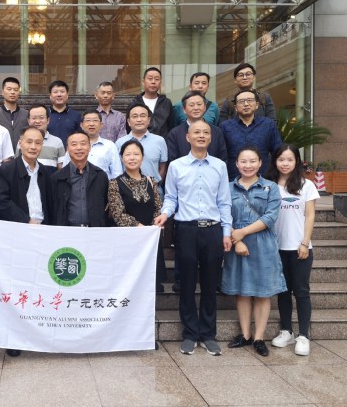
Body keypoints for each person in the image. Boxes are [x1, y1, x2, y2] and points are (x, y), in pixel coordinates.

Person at [155, 120, 232, 357]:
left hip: (213, 229)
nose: (201, 135)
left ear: (211, 138)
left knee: (210, 284)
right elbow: (171, 198)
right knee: (187, 284)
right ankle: (189, 334)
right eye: (196, 132)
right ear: (187, 137)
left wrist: (226, 232)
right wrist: (164, 214)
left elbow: (224, 202)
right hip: (186, 229)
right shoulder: (176, 166)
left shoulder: (219, 166)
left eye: (205, 132)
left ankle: (208, 334)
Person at [223, 146, 286, 357]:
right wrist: (237, 239)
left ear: (260, 163)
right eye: (243, 161)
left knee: (262, 292)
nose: (247, 165)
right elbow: (223, 215)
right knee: (242, 291)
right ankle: (245, 334)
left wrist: (242, 233)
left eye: (252, 161)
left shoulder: (271, 187)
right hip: (236, 242)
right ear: (236, 164)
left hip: (262, 242)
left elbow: (270, 217)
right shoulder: (227, 188)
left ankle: (259, 338)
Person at [0, 126, 51, 358]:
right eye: (29, 141)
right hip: (18, 234)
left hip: (42, 234)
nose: (33, 146)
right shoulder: (7, 170)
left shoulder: (46, 172)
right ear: (20, 143)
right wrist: (26, 221)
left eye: (38, 142)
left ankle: (37, 333)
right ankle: (13, 337)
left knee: (39, 286)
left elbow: (51, 203)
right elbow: (3, 202)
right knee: (17, 288)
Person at [267, 144, 319, 356]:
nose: (285, 163)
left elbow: (310, 215)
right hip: (276, 248)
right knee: (283, 291)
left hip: (299, 248)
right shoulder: (269, 185)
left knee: (301, 291)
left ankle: (303, 335)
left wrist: (305, 243)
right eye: (281, 159)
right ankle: (286, 331)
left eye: (289, 159)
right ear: (275, 161)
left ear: (297, 161)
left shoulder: (306, 185)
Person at [108, 140, 165, 294]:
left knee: (151, 285)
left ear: (142, 157)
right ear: (122, 158)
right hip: (127, 241)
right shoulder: (115, 183)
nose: (132, 158)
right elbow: (118, 214)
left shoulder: (151, 181)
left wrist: (155, 225)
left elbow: (157, 208)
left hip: (150, 242)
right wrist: (140, 228)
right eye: (128, 154)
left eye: (136, 154)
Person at [50, 129, 109, 227]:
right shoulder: (57, 178)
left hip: (94, 230)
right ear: (67, 149)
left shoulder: (100, 176)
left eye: (83, 144)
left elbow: (106, 205)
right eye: (74, 144)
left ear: (89, 147)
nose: (79, 148)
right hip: (66, 231)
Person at [221, 89, 282, 180]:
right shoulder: (225, 126)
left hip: (264, 179)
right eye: (241, 101)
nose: (246, 104)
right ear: (236, 107)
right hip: (232, 180)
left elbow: (278, 152)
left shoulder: (268, 124)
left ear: (257, 105)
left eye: (250, 100)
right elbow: (221, 155)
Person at [116, 103, 167, 189]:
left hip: (154, 189)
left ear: (149, 120)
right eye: (135, 116)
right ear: (128, 122)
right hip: (127, 190)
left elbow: (163, 167)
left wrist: (155, 184)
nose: (139, 120)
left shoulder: (159, 141)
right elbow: (118, 168)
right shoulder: (120, 143)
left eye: (143, 116)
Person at [166, 90, 227, 164]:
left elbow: (223, 159)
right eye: (191, 105)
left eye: (199, 104)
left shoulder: (216, 131)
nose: (196, 108)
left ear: (205, 107)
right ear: (184, 109)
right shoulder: (174, 134)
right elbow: (172, 162)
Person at [62, 109, 123, 179]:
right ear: (81, 125)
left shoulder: (110, 146)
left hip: (103, 185)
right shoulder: (74, 146)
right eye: (88, 120)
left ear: (101, 125)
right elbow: (65, 170)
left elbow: (117, 173)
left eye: (95, 120)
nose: (91, 124)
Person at [125, 67, 173, 138]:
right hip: (139, 142)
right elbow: (128, 127)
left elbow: (171, 126)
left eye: (157, 79)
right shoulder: (134, 103)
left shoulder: (166, 103)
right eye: (150, 78)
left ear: (160, 83)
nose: (153, 82)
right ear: (143, 82)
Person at [25, 104, 65, 173]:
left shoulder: (57, 142)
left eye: (41, 118)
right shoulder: (22, 141)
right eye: (34, 118)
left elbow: (62, 169)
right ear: (28, 121)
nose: (37, 121)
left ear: (48, 120)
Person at [0, 77, 28, 149]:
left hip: (22, 154)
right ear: (2, 92)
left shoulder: (26, 114)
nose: (12, 92)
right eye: (9, 89)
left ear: (19, 93)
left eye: (16, 90)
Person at [46, 80, 81, 146]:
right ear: (50, 96)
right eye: (55, 92)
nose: (59, 95)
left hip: (69, 151)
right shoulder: (44, 115)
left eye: (62, 92)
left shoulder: (76, 115)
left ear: (67, 95)